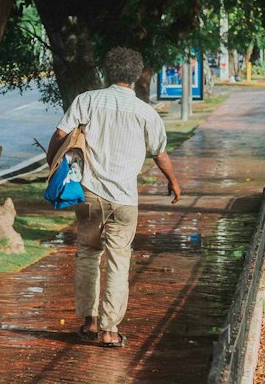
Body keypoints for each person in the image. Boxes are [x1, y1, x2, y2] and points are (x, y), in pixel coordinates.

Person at [47, 46, 182, 349]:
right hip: (125, 200)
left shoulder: (88, 101)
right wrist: (173, 182)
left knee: (87, 253)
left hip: (89, 194)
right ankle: (110, 330)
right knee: (119, 261)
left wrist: (52, 163)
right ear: (135, 76)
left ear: (108, 72)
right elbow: (160, 153)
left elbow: (59, 134)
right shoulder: (146, 112)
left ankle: (89, 322)